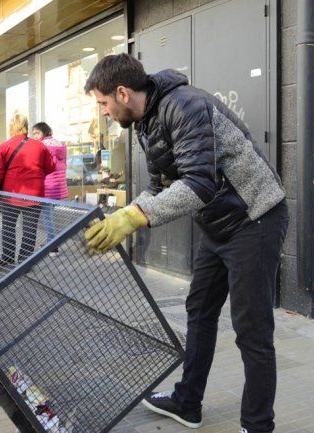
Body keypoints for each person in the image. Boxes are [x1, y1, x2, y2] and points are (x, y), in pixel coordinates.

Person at [83, 54, 287, 433]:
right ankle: (187, 401)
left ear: (122, 93)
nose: (104, 113)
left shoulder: (185, 105)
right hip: (218, 225)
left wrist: (133, 217)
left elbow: (198, 184)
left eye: (103, 103)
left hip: (254, 219)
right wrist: (127, 214)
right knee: (199, 309)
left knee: (252, 331)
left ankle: (258, 425)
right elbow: (160, 187)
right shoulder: (146, 122)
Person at [0, 112, 55, 265]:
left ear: (11, 127)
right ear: (26, 126)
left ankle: (8, 258)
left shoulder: (4, 146)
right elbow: (50, 167)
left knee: (8, 227)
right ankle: (25, 262)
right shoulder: (39, 146)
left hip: (10, 194)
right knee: (30, 230)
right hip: (34, 195)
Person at [31, 122, 67, 254]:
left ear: (44, 132)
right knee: (49, 215)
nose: (35, 136)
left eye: (37, 133)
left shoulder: (42, 146)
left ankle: (52, 247)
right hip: (58, 187)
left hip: (47, 186)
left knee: (47, 217)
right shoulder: (59, 144)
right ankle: (51, 242)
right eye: (33, 133)